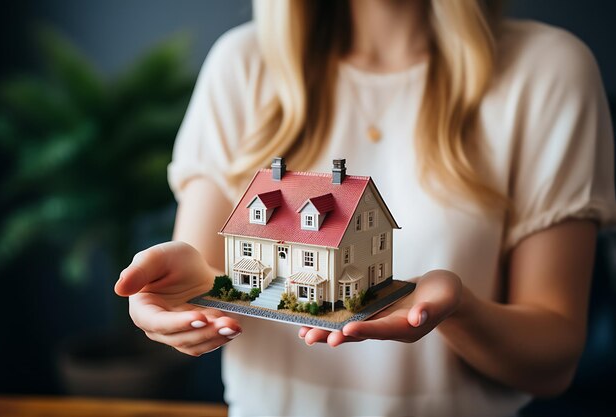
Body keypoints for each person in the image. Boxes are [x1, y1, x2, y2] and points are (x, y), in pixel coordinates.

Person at [114, 0, 616, 416]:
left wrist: (458, 310)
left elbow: (553, 361)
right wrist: (174, 298)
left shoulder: (548, 71)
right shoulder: (241, 65)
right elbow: (202, 273)